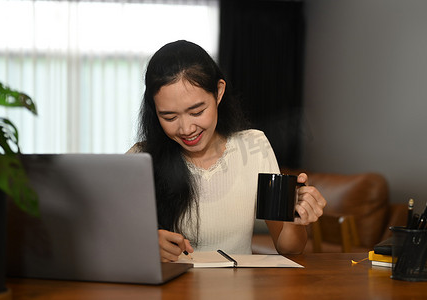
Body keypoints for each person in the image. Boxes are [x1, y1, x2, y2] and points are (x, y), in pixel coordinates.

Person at [128, 40, 326, 262]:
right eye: (169, 117)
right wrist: (144, 242)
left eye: (197, 111)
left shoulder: (254, 147)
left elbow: (288, 249)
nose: (186, 129)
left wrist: (296, 218)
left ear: (219, 92)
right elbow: (108, 236)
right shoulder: (140, 159)